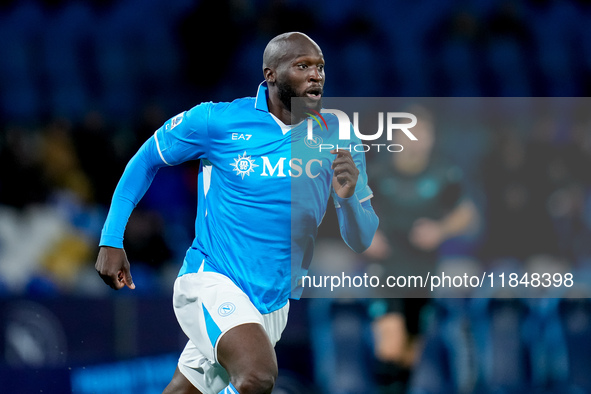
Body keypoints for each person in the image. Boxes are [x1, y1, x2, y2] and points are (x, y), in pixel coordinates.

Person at [95, 32, 379, 394]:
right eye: (303, 66)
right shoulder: (218, 121)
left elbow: (361, 238)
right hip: (212, 279)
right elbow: (146, 159)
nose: (316, 75)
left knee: (187, 390)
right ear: (271, 74)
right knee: (258, 376)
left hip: (272, 301)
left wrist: (350, 197)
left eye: (320, 67)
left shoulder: (338, 132)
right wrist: (111, 239)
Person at [364, 105, 478, 393]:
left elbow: (467, 214)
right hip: (387, 268)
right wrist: (365, 236)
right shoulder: (378, 172)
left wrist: (440, 230)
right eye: (408, 131)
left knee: (409, 351)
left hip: (423, 270)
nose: (415, 138)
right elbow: (348, 207)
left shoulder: (444, 173)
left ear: (431, 138)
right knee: (390, 344)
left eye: (422, 132)